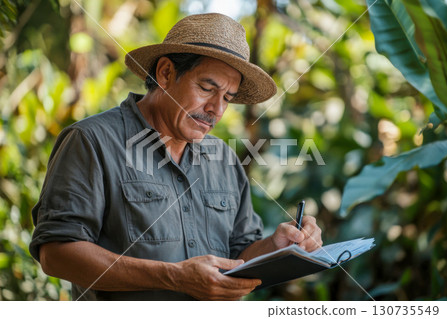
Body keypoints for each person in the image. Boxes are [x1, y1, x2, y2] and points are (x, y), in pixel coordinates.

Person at [29, 13, 322, 301]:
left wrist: (277, 246)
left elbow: (238, 256)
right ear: (166, 73)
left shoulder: (223, 159)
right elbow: (56, 254)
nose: (216, 110)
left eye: (227, 98)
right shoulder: (92, 141)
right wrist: (173, 276)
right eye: (207, 89)